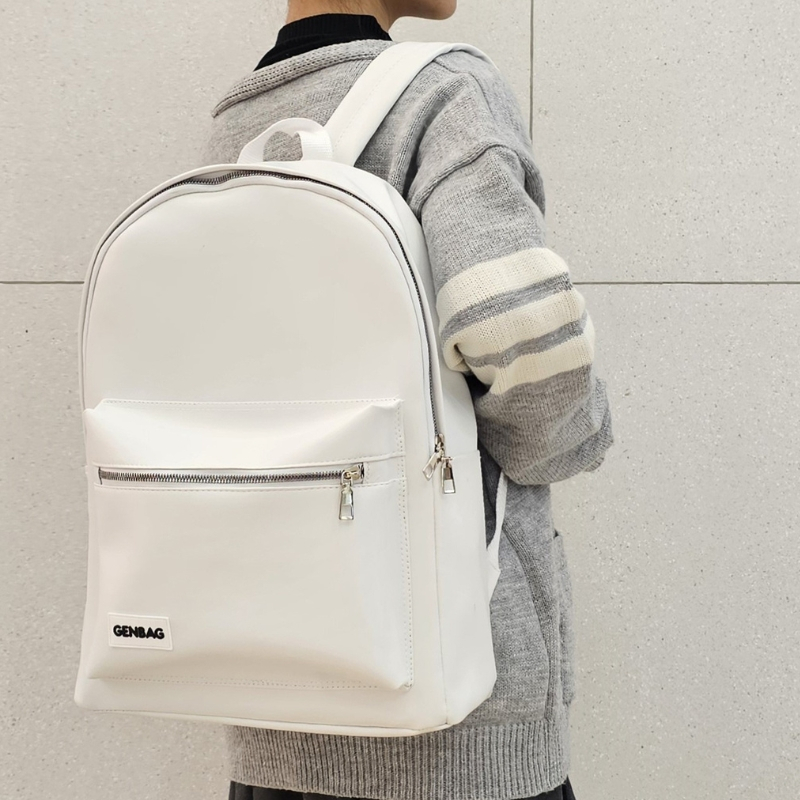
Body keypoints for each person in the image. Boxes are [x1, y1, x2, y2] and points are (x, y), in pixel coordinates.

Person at [203, 2, 615, 799]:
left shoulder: (237, 125)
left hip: (271, 704)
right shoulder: (443, 96)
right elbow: (526, 345)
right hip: (453, 731)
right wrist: (576, 435)